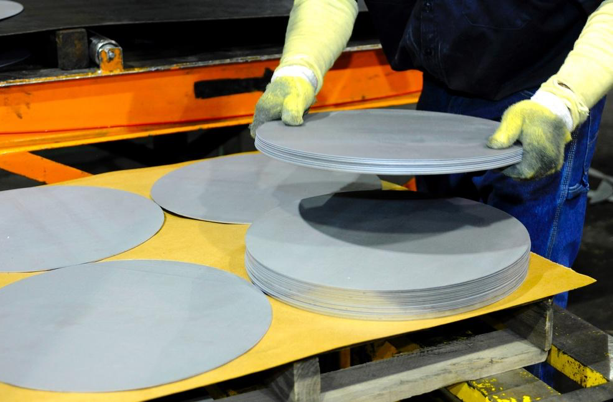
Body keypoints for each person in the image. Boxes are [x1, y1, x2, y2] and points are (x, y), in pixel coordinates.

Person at [250, 0, 613, 310]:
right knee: (435, 264)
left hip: (541, 98)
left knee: (524, 291)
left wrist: (563, 101)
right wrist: (299, 68)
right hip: (442, 91)